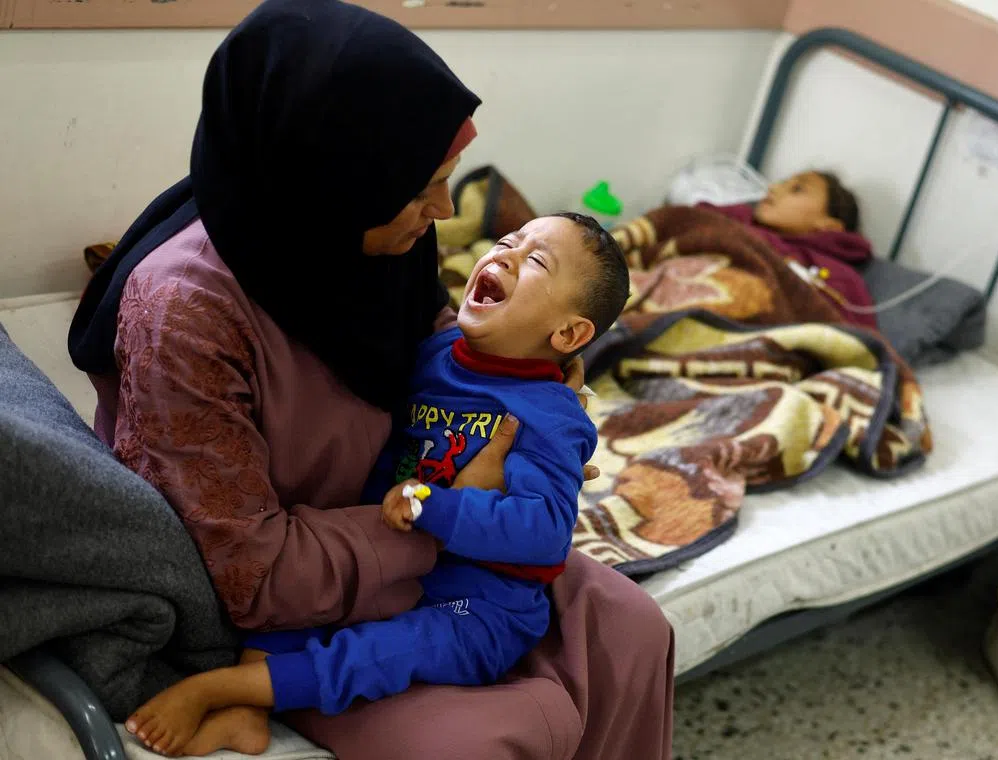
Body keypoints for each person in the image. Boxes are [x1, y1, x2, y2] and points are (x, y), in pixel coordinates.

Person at [68, 1, 674, 758]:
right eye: (424, 185)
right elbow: (251, 572)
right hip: (305, 581)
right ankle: (248, 689)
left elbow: (452, 357)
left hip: (431, 523)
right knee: (503, 731)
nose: (446, 211)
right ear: (339, 175)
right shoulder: (186, 313)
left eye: (448, 178)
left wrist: (538, 393)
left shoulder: (377, 240)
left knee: (633, 628)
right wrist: (441, 510)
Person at [122, 213, 630, 756]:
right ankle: (246, 714)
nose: (503, 255)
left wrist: (439, 506)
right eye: (506, 241)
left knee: (387, 650)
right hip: (404, 561)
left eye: (533, 261)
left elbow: (546, 531)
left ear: (569, 334)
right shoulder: (434, 356)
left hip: (478, 604)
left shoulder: (550, 415)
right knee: (302, 608)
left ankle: (216, 689)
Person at [703, 170, 878, 328]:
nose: (773, 188)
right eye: (781, 183)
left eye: (797, 189)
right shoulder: (728, 218)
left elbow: (852, 341)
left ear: (828, 225)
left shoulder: (838, 275)